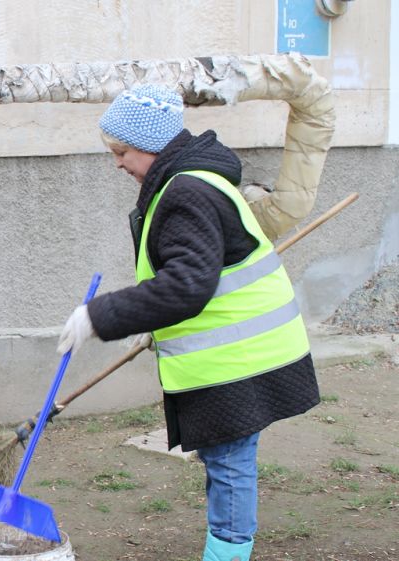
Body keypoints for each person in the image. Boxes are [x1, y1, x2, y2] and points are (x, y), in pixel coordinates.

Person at [56, 84, 320, 561]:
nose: (117, 163)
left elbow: (186, 285)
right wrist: (149, 317)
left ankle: (227, 554)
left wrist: (100, 315)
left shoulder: (186, 191)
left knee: (230, 461)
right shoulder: (192, 180)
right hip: (237, 353)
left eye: (121, 151)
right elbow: (198, 276)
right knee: (226, 458)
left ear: (150, 145)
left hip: (237, 359)